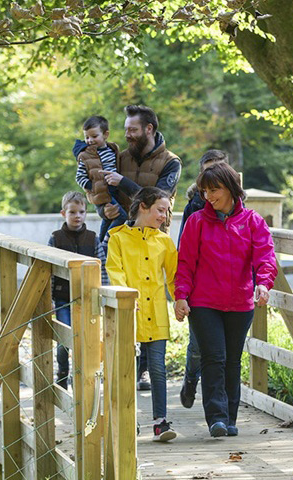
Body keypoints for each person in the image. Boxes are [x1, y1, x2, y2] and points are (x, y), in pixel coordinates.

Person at [174, 163, 278, 437]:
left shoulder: (253, 221)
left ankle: (230, 419)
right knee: (214, 357)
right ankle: (216, 418)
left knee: (232, 360)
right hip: (204, 302)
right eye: (205, 191)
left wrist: (264, 285)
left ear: (231, 188)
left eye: (214, 189)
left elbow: (265, 257)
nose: (208, 196)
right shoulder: (196, 222)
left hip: (240, 303)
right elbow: (185, 262)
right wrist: (180, 296)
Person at [102, 104, 182, 390]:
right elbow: (103, 190)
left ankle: (146, 369)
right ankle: (121, 363)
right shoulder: (120, 158)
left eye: (133, 130)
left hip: (155, 238)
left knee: (149, 295)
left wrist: (123, 183)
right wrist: (105, 210)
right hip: (121, 236)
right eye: (126, 130)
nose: (128, 135)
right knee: (121, 293)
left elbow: (159, 196)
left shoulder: (172, 162)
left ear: (149, 129)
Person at [106, 187, 179, 442]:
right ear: (143, 207)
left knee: (158, 369)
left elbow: (173, 276)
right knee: (129, 367)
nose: (164, 216)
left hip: (156, 312)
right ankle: (129, 420)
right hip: (129, 312)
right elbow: (114, 269)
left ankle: (161, 422)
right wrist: (126, 295)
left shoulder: (165, 241)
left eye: (166, 211)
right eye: (160, 210)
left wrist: (180, 299)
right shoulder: (117, 238)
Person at [178, 149, 229, 409]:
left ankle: (218, 407)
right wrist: (182, 292)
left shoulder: (237, 207)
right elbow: (183, 252)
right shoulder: (194, 208)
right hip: (201, 289)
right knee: (198, 346)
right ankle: (190, 379)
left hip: (230, 290)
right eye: (208, 169)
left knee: (222, 351)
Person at [48, 191, 110, 389]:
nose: (77, 216)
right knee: (64, 338)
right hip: (62, 297)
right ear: (63, 214)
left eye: (81, 212)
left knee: (86, 338)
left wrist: (103, 292)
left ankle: (82, 375)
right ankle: (63, 372)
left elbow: (102, 267)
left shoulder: (92, 238)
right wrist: (48, 298)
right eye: (72, 212)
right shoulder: (55, 239)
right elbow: (48, 269)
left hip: (86, 297)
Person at [72, 115, 126, 243]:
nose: (90, 140)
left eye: (94, 136)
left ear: (106, 134)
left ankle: (100, 244)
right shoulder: (85, 156)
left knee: (108, 219)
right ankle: (107, 239)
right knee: (122, 215)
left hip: (114, 189)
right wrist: (93, 187)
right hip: (101, 192)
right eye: (87, 137)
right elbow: (79, 177)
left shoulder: (113, 150)